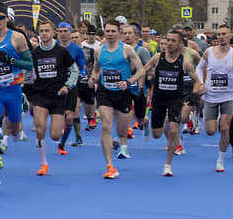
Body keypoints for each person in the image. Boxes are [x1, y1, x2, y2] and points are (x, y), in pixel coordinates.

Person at [0, 3, 32, 186]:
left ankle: (19, 118)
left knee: (16, 128)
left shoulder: (17, 38)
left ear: (7, 19)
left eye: (1, 17)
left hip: (13, 90)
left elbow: (30, 64)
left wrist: (11, 60)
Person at [88, 18, 146, 179]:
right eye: (108, 31)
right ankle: (109, 165)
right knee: (105, 125)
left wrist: (128, 82)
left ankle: (122, 143)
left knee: (121, 130)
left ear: (119, 33)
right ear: (104, 32)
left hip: (123, 93)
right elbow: (96, 70)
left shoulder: (127, 50)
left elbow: (141, 71)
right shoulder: (99, 51)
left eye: (113, 31)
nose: (110, 34)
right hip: (105, 92)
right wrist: (93, 79)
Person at [141, 29, 201, 176]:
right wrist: (133, 82)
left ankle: (168, 165)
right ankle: (150, 124)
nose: (169, 43)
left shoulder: (184, 62)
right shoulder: (157, 58)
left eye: (173, 40)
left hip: (175, 99)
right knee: (156, 134)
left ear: (180, 44)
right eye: (167, 40)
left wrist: (195, 93)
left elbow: (197, 81)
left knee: (174, 129)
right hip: (159, 100)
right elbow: (142, 70)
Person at [196, 24, 233, 172]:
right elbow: (199, 68)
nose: (221, 37)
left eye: (224, 34)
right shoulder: (209, 52)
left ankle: (220, 160)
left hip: (229, 95)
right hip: (211, 95)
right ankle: (217, 122)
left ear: (230, 36)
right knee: (210, 131)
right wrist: (201, 83)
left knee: (225, 127)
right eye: (219, 34)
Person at [28, 20, 78, 176]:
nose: (43, 33)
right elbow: (29, 73)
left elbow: (74, 70)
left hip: (57, 97)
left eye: (46, 31)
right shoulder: (35, 53)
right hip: (40, 95)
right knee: (40, 128)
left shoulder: (61, 52)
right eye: (41, 31)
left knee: (55, 136)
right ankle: (43, 164)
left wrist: (67, 86)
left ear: (53, 32)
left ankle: (60, 126)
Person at [55, 21, 87, 154]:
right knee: (57, 116)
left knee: (69, 117)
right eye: (60, 31)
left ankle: (62, 144)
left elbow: (82, 66)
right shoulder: (53, 47)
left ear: (70, 33)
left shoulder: (77, 49)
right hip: (55, 86)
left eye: (66, 31)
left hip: (71, 85)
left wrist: (83, 74)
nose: (63, 34)